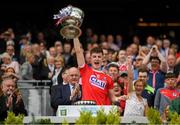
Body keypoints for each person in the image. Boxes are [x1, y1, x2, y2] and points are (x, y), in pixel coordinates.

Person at [73, 38, 120, 105]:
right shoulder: (85, 70)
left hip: (102, 111)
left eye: (99, 57)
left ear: (102, 58)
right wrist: (75, 36)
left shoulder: (108, 78)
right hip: (87, 110)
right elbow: (78, 51)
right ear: (90, 59)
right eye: (94, 56)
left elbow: (113, 98)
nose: (97, 59)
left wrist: (120, 98)